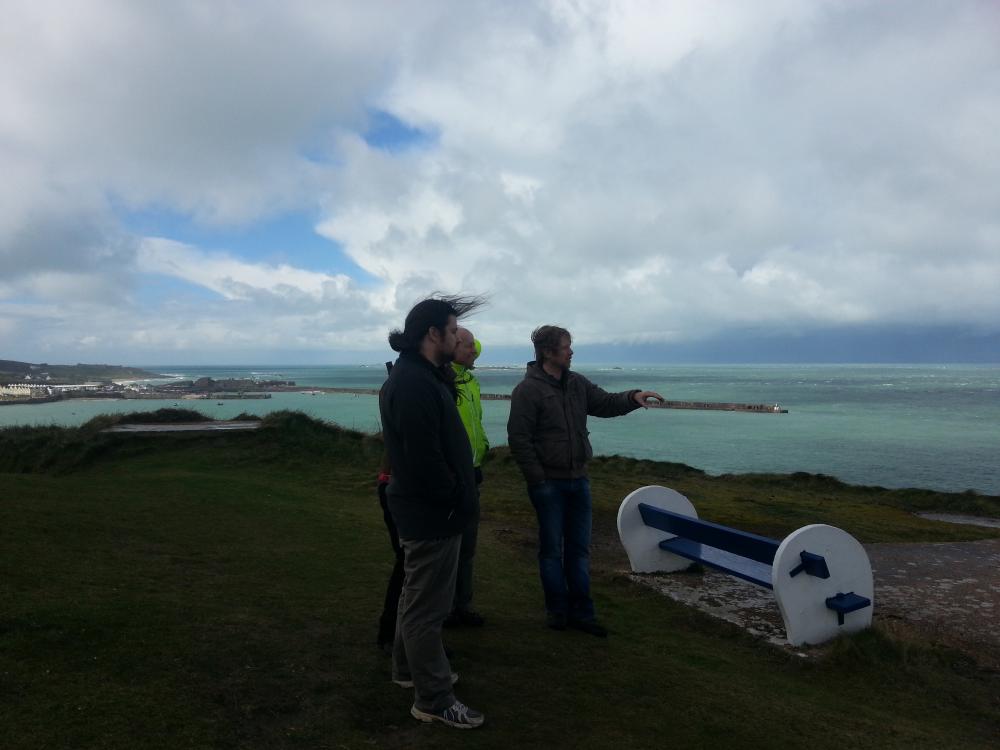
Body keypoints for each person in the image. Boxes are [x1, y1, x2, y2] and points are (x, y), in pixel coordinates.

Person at [506, 325, 664, 637]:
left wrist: (633, 397)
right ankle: (558, 612)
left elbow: (604, 403)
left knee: (579, 549)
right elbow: (519, 439)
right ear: (549, 352)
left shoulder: (576, 384)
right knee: (551, 549)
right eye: (566, 347)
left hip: (579, 480)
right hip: (547, 484)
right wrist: (538, 480)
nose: (571, 351)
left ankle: (583, 613)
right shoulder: (528, 391)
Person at [379, 295, 486, 729]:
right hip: (432, 514)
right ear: (433, 334)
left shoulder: (420, 376)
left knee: (415, 598)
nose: (459, 336)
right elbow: (424, 460)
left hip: (428, 509)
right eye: (453, 329)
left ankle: (408, 671)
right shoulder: (414, 384)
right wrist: (456, 498)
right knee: (428, 607)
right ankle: (435, 698)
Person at [445, 328, 488, 628]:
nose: (475, 350)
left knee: (468, 548)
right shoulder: (444, 380)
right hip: (450, 478)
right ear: (452, 346)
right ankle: (443, 611)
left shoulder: (469, 379)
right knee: (447, 550)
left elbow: (472, 346)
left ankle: (462, 606)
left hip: (472, 474)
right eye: (469, 346)